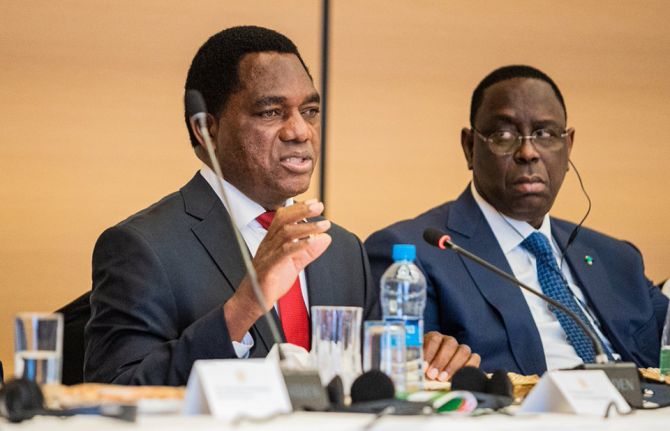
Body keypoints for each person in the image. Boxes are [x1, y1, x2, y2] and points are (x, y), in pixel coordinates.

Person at [84, 26, 478, 386]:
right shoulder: (142, 246)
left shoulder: (341, 250)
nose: (300, 131)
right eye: (271, 112)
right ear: (206, 129)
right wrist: (243, 308)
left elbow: (367, 384)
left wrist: (415, 360)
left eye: (310, 111)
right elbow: (116, 395)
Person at [365, 65, 669, 376]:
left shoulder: (617, 259)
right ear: (470, 147)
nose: (528, 152)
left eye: (545, 134)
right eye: (504, 135)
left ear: (568, 146)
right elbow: (408, 374)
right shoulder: (413, 252)